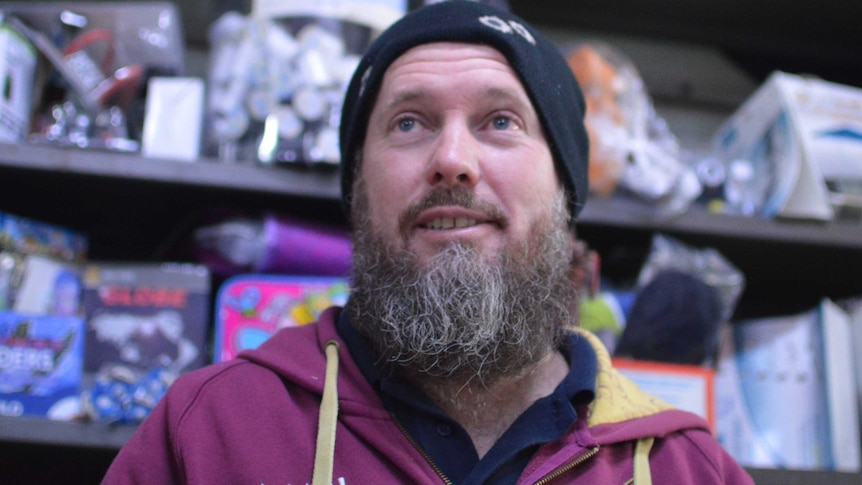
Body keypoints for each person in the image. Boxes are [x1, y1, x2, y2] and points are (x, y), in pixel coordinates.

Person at [103, 2, 754, 484]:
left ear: (564, 189)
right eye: (408, 122)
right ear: (359, 189)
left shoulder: (690, 470)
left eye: (500, 122)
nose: (451, 158)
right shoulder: (212, 428)